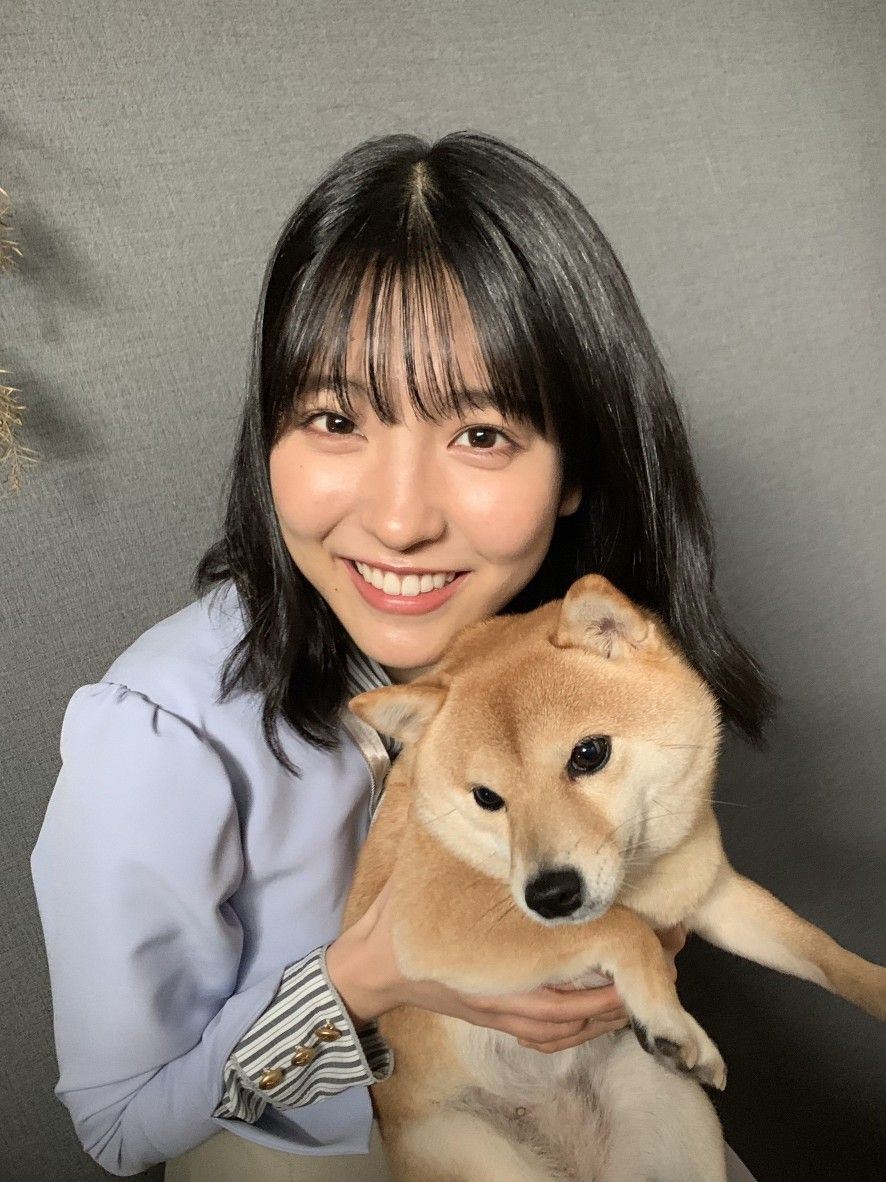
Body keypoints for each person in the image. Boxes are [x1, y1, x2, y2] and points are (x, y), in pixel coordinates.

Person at [31, 131, 768, 1181]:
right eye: (335, 418)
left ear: (576, 468)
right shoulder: (160, 732)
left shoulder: (580, 661)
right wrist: (369, 978)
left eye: (480, 434)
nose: (399, 519)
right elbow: (119, 1123)